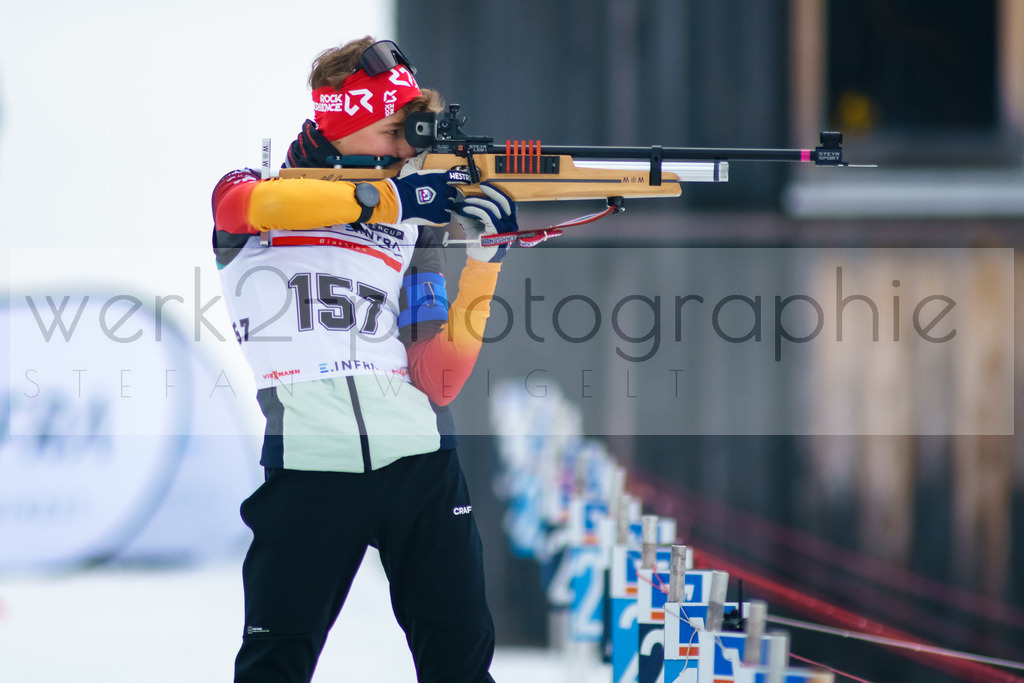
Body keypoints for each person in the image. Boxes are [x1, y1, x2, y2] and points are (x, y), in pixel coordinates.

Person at [211, 36, 518, 682]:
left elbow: (436, 379)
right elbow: (251, 205)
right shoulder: (252, 194)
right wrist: (397, 201)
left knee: (461, 669)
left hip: (421, 469)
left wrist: (484, 269)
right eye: (391, 131)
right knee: (273, 666)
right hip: (308, 468)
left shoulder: (415, 227)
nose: (405, 149)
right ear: (344, 125)